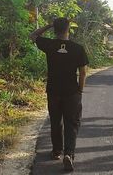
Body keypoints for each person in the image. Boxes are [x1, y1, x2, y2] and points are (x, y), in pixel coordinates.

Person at [30, 17, 89, 171]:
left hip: (53, 91)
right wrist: (80, 90)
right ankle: (69, 154)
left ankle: (57, 151)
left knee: (56, 121)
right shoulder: (78, 48)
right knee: (72, 123)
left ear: (55, 30)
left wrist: (48, 25)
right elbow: (82, 72)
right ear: (68, 29)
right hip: (71, 92)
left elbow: (33, 36)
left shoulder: (49, 45)